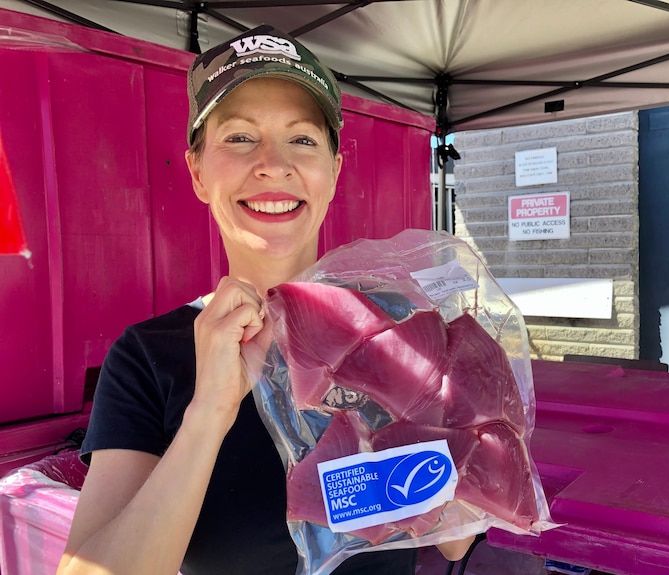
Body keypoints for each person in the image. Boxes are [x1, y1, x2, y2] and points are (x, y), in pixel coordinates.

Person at [57, 25, 472, 575]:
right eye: (239, 137)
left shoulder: (403, 325)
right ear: (198, 172)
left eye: (302, 139)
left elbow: (455, 540)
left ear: (333, 172)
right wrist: (210, 412)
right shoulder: (147, 356)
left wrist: (460, 411)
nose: (274, 164)